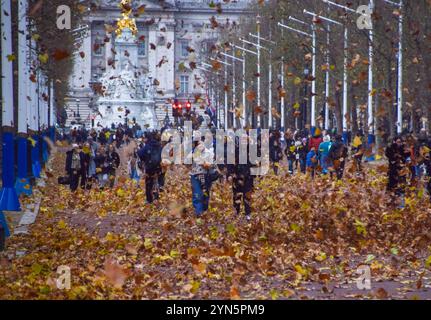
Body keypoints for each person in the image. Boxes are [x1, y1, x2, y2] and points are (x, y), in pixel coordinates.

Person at [227, 132, 255, 221]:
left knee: (247, 195)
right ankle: (236, 212)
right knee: (236, 195)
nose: (244, 142)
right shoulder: (235, 151)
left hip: (248, 177)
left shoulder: (251, 151)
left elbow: (255, 162)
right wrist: (230, 174)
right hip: (237, 176)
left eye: (245, 140)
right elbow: (230, 163)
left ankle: (248, 213)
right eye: (242, 139)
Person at [187, 139, 214, 217]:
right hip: (194, 175)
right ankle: (198, 212)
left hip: (206, 176)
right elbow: (187, 163)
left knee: (205, 194)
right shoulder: (194, 152)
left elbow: (212, 165)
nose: (199, 145)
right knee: (197, 193)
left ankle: (204, 209)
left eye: (200, 143)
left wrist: (206, 164)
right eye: (197, 144)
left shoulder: (209, 153)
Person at [138, 132, 162, 203]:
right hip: (158, 167)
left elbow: (140, 154)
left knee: (148, 183)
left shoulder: (147, 146)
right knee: (157, 181)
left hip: (149, 167)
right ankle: (156, 197)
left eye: (144, 138)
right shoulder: (158, 145)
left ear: (147, 138)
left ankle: (149, 199)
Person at [385, 136, 410, 203]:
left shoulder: (402, 148)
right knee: (392, 183)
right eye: (398, 142)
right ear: (394, 142)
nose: (399, 143)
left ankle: (400, 198)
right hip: (393, 169)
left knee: (402, 184)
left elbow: (407, 154)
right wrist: (396, 156)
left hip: (402, 170)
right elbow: (388, 155)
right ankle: (390, 198)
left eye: (400, 142)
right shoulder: (391, 148)